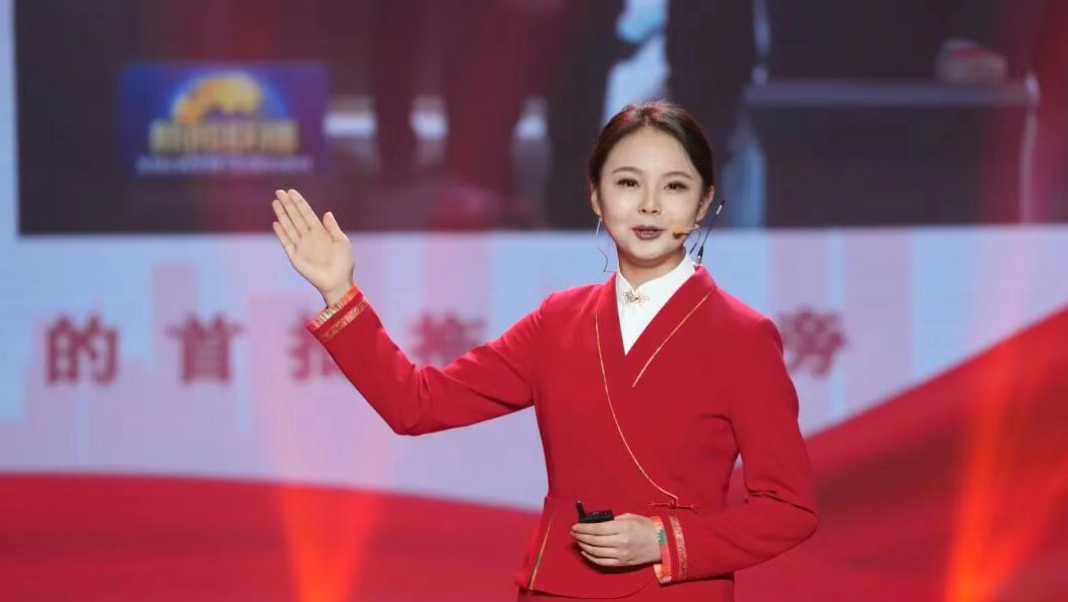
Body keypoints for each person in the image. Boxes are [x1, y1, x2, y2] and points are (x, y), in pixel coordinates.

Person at [269, 101, 818, 600]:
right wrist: (339, 292)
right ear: (597, 197)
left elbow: (789, 508)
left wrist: (664, 540)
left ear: (702, 204)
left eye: (674, 186)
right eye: (628, 182)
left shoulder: (743, 337)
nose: (649, 205)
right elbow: (416, 403)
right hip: (559, 587)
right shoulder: (559, 321)